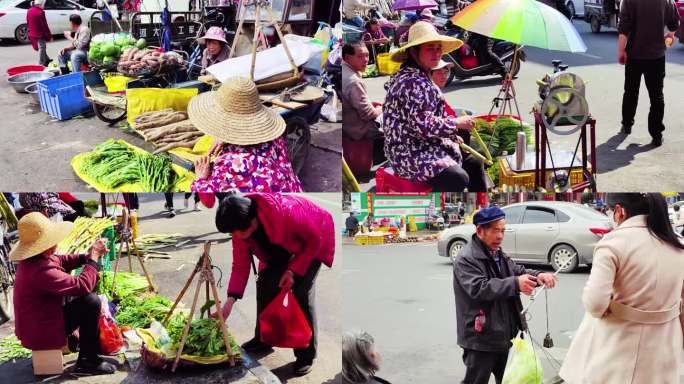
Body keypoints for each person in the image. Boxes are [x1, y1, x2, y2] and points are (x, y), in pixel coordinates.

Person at [559, 193, 684, 383]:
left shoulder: (613, 243)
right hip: (664, 347)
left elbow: (595, 304)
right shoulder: (678, 244)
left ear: (619, 211)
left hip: (618, 346)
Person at [213, 194, 335, 376]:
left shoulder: (286, 211)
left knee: (301, 291)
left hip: (313, 241)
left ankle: (306, 354)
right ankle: (264, 337)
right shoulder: (240, 228)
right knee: (265, 283)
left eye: (234, 232)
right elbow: (240, 265)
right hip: (282, 250)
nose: (233, 236)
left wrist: (293, 271)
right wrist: (230, 301)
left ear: (251, 221)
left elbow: (314, 240)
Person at [453, 206, 557, 384]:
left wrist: (538, 276)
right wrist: (516, 283)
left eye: (502, 230)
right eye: (495, 231)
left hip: (504, 334)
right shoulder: (466, 258)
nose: (500, 236)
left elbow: (516, 270)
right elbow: (479, 288)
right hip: (481, 338)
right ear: (480, 231)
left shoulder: (498, 253)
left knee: (510, 380)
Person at [383, 22, 487, 192]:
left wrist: (452, 133)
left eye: (439, 48)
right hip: (408, 152)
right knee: (457, 177)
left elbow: (427, 116)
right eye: (430, 48)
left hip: (423, 143)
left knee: (474, 162)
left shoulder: (418, 74)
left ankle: (481, 209)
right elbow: (422, 125)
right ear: (414, 51)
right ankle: (439, 214)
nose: (437, 53)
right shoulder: (412, 81)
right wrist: (456, 123)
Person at [11, 213, 115, 374]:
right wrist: (93, 258)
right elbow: (83, 285)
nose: (55, 243)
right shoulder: (40, 270)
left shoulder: (37, 258)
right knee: (91, 302)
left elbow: (62, 260)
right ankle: (88, 360)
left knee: (82, 299)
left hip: (40, 321)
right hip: (41, 330)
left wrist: (85, 257)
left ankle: (87, 351)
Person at [188, 76, 303, 192]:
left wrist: (201, 178)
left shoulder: (230, 165)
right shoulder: (275, 139)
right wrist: (226, 138)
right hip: (292, 191)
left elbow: (206, 197)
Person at [618, 0, 680, 147]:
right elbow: (674, 24)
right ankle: (656, 134)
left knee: (631, 91)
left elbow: (624, 28)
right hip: (656, 56)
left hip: (634, 55)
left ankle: (627, 124)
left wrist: (621, 51)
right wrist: (668, 41)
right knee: (657, 95)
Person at [342, 42, 383, 141]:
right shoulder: (353, 81)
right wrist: (384, 108)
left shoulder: (344, 69)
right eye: (360, 56)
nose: (365, 60)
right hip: (359, 130)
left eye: (367, 55)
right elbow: (368, 114)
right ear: (347, 58)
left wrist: (371, 104)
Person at [27, 0, 52, 67]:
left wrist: (30, 31)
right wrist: (49, 36)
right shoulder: (40, 12)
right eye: (44, 4)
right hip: (39, 34)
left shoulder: (29, 10)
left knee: (41, 47)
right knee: (42, 47)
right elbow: (44, 26)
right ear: (41, 4)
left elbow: (28, 22)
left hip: (32, 33)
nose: (44, 6)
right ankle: (41, 63)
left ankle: (47, 59)